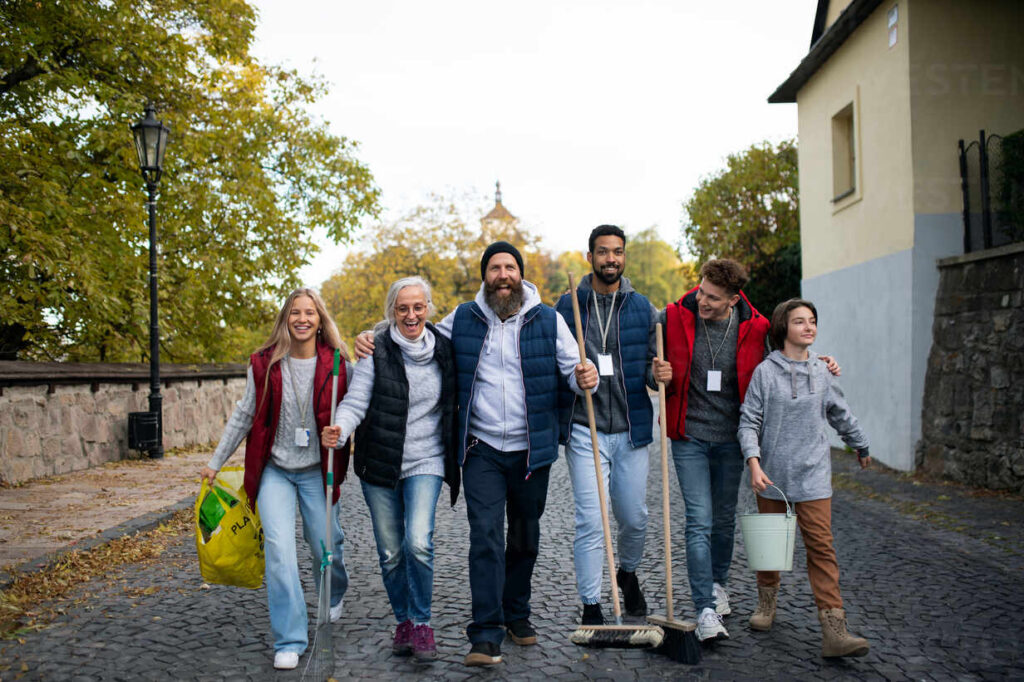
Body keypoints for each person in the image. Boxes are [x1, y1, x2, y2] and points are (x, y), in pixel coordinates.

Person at [354, 241, 598, 667]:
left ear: (520, 274)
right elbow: (415, 333)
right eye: (494, 268)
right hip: (481, 447)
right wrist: (371, 336)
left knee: (524, 537)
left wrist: (585, 376)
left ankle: (516, 613)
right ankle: (485, 634)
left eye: (509, 267)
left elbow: (572, 373)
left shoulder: (550, 320)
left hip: (531, 448)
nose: (503, 275)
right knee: (485, 536)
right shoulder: (464, 318)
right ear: (484, 276)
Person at [655, 259, 839, 642]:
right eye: (702, 291)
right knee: (699, 520)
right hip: (687, 435)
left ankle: (719, 584)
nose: (702, 301)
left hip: (731, 439)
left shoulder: (755, 327)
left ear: (733, 299)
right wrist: (655, 375)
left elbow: (788, 358)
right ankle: (705, 607)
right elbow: (649, 367)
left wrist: (821, 363)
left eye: (713, 298)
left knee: (723, 519)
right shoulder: (672, 316)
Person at [201, 288, 351, 671]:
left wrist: (342, 432)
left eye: (310, 313)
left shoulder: (336, 364)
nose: (302, 319)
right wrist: (215, 462)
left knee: (325, 545)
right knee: (280, 552)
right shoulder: (264, 364)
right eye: (295, 313)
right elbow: (244, 414)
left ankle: (334, 590)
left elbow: (352, 411)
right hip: (276, 472)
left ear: (320, 320)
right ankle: (290, 637)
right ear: (286, 319)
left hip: (317, 471)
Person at [321, 276, 459, 662]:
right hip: (380, 462)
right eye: (403, 308)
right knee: (390, 552)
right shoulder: (375, 349)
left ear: (428, 308)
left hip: (426, 460)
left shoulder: (445, 350)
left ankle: (421, 623)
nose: (411, 315)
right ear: (392, 312)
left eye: (418, 307)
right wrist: (341, 428)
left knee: (418, 541)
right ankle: (402, 620)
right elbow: (355, 401)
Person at [738, 298, 871, 658]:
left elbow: (840, 413)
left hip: (814, 474)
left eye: (812, 321)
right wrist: (754, 462)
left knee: (822, 549)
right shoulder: (765, 373)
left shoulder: (824, 370)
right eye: (800, 322)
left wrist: (859, 444)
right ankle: (766, 605)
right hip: (773, 475)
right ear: (784, 328)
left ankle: (834, 631)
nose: (809, 327)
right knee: (770, 547)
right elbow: (749, 420)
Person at [555, 225, 670, 625]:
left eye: (617, 252)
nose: (611, 259)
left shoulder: (643, 308)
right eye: (603, 252)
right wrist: (571, 374)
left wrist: (661, 374)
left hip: (631, 428)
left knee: (634, 517)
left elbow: (654, 374)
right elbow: (553, 365)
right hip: (584, 426)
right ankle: (590, 604)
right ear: (590, 257)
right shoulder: (567, 305)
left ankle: (628, 572)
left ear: (625, 256)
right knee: (591, 518)